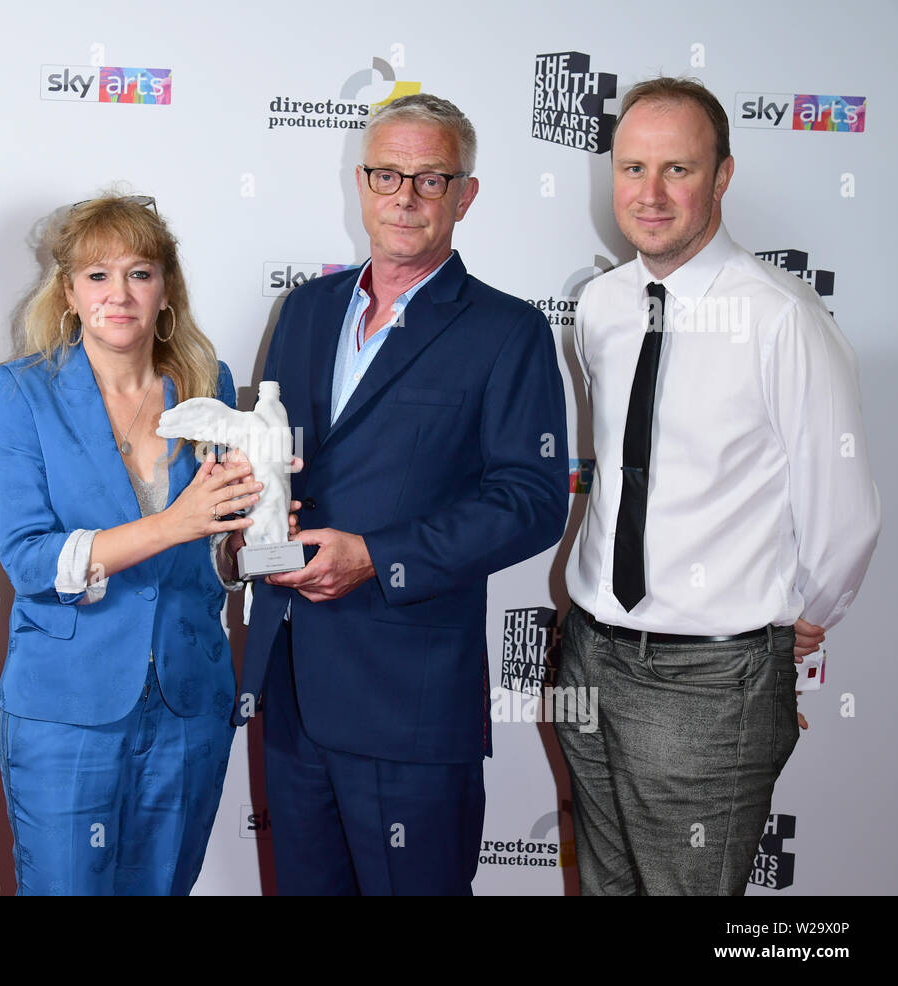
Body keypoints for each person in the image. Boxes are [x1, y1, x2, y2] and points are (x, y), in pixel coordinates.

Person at [236, 93, 570, 895]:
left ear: (466, 194)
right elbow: (280, 462)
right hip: (290, 681)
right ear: (361, 184)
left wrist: (378, 558)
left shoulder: (506, 331)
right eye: (388, 175)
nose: (406, 198)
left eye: (430, 178)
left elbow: (531, 499)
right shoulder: (308, 310)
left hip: (410, 702)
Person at [556, 77, 880, 895]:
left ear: (723, 176)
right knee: (606, 887)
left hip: (710, 685)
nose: (650, 194)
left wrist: (802, 625)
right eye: (632, 169)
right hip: (590, 653)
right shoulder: (599, 306)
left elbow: (844, 514)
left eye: (678, 169)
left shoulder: (782, 319)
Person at [0, 195, 260, 895]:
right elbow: (31, 561)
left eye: (139, 273)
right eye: (97, 276)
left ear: (166, 289)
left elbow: (219, 559)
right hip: (65, 708)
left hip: (188, 701)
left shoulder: (210, 386)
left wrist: (252, 526)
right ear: (68, 292)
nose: (119, 294)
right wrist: (176, 521)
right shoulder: (19, 392)